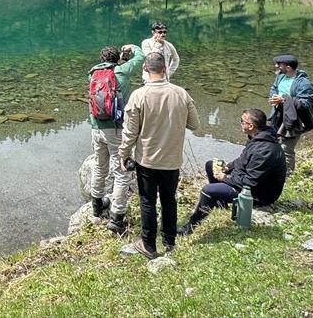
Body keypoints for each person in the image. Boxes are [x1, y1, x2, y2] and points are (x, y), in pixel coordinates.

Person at [117, 53, 200, 258]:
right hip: (172, 160)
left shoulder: (139, 95)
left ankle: (148, 245)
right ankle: (169, 242)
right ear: (165, 69)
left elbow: (130, 133)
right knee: (169, 200)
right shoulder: (181, 93)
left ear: (145, 68)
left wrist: (124, 154)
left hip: (147, 160)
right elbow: (195, 124)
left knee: (147, 201)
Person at [177, 108, 286, 236]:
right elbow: (242, 159)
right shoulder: (257, 137)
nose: (240, 123)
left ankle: (190, 227)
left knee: (208, 190)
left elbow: (250, 182)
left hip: (258, 194)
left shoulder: (264, 150)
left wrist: (225, 178)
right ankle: (220, 203)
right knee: (210, 165)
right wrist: (227, 168)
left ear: (251, 126)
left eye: (242, 121)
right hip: (247, 181)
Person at [87, 45, 145, 230]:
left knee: (99, 165)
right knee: (121, 172)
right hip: (116, 129)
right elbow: (141, 57)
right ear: (118, 58)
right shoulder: (121, 71)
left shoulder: (93, 73)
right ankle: (117, 217)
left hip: (96, 128)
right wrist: (131, 48)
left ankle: (97, 205)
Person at [266, 54, 313, 175]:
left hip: (295, 120)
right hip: (278, 116)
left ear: (288, 67)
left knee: (286, 148)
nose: (276, 66)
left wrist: (283, 100)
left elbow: (306, 103)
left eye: (279, 65)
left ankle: (288, 175)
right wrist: (273, 97)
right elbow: (274, 88)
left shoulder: (304, 83)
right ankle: (276, 170)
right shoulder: (280, 77)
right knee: (273, 143)